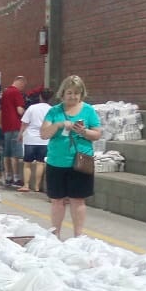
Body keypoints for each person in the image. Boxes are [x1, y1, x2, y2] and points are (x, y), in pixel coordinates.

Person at [39, 75, 102, 238]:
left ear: (82, 94)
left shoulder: (88, 110)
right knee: (57, 200)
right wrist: (59, 125)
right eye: (69, 93)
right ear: (63, 93)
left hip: (80, 162)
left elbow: (97, 134)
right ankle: (55, 234)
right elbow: (44, 134)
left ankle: (78, 236)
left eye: (76, 93)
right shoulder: (54, 111)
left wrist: (84, 131)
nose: (73, 96)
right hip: (56, 161)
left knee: (78, 199)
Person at [18, 88, 53, 192]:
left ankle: (26, 185)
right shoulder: (52, 110)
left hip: (30, 138)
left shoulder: (32, 108)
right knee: (40, 163)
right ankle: (37, 186)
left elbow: (24, 123)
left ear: (40, 97)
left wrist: (20, 134)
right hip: (44, 140)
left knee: (27, 163)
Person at [0, 76, 27, 186]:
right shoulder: (16, 93)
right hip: (15, 125)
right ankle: (16, 178)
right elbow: (20, 111)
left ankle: (8, 177)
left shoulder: (5, 92)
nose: (23, 88)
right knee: (15, 154)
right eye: (23, 86)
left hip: (6, 126)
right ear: (20, 82)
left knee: (7, 153)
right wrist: (26, 112)